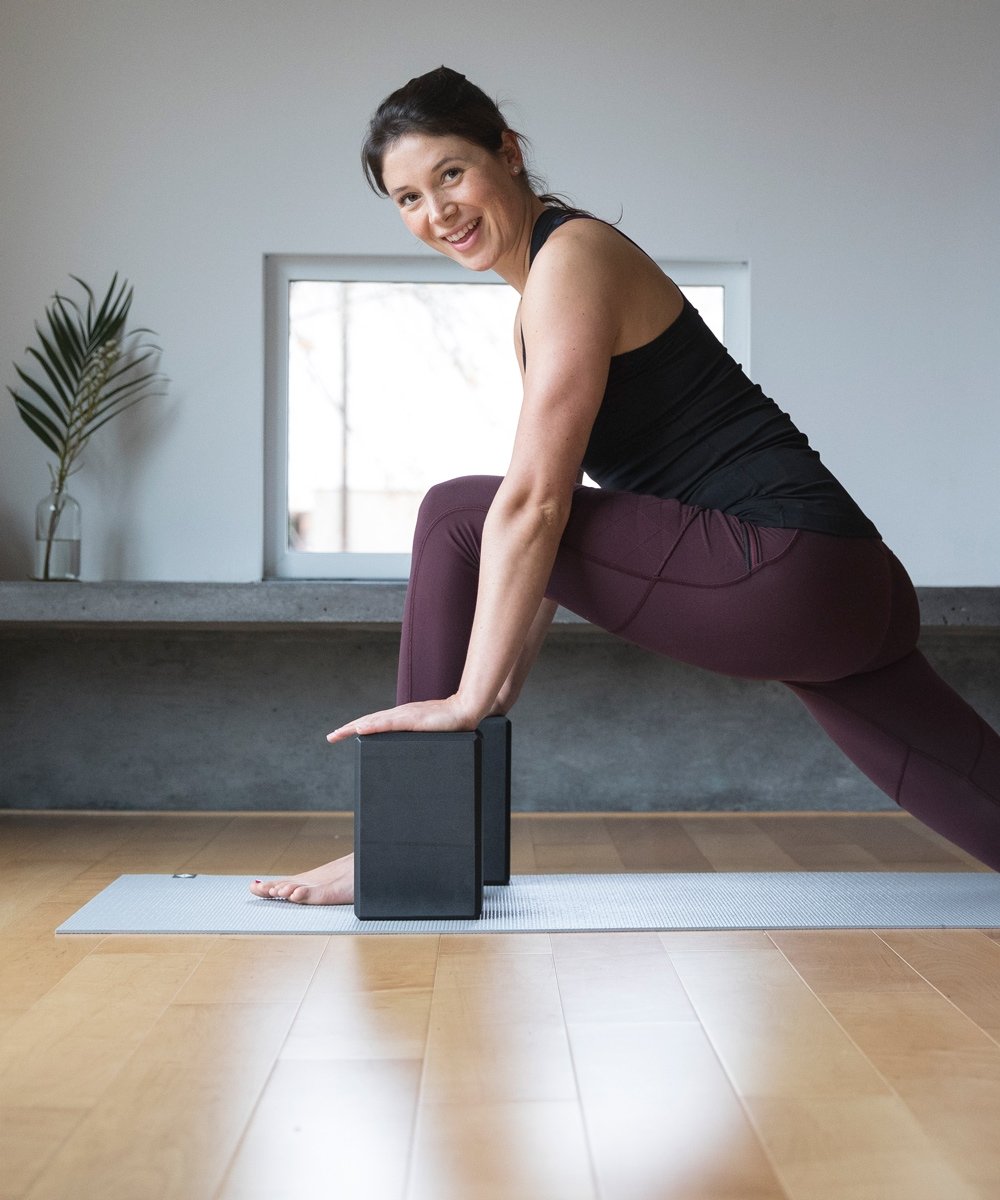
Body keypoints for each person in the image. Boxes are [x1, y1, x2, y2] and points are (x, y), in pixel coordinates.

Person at [251, 66, 1000, 906]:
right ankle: (425, 839)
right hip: (848, 585)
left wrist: (465, 702)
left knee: (456, 512)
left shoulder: (570, 262)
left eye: (451, 174)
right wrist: (492, 689)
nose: (437, 212)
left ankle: (399, 843)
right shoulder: (552, 279)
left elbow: (533, 507)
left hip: (785, 571)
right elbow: (551, 531)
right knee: (975, 794)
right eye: (408, 198)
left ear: (508, 152)